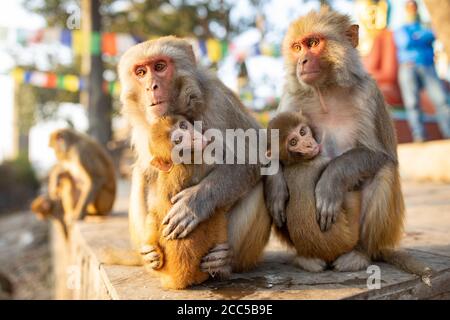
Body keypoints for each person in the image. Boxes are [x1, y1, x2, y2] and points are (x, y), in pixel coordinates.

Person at [394, 0, 450, 142]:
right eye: (409, 8)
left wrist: (417, 37)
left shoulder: (425, 25)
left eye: (414, 7)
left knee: (441, 100)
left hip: (428, 66)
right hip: (408, 67)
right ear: (406, 10)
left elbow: (432, 35)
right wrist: (422, 37)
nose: (412, 10)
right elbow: (405, 42)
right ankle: (419, 135)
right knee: (412, 103)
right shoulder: (401, 28)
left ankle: (448, 132)